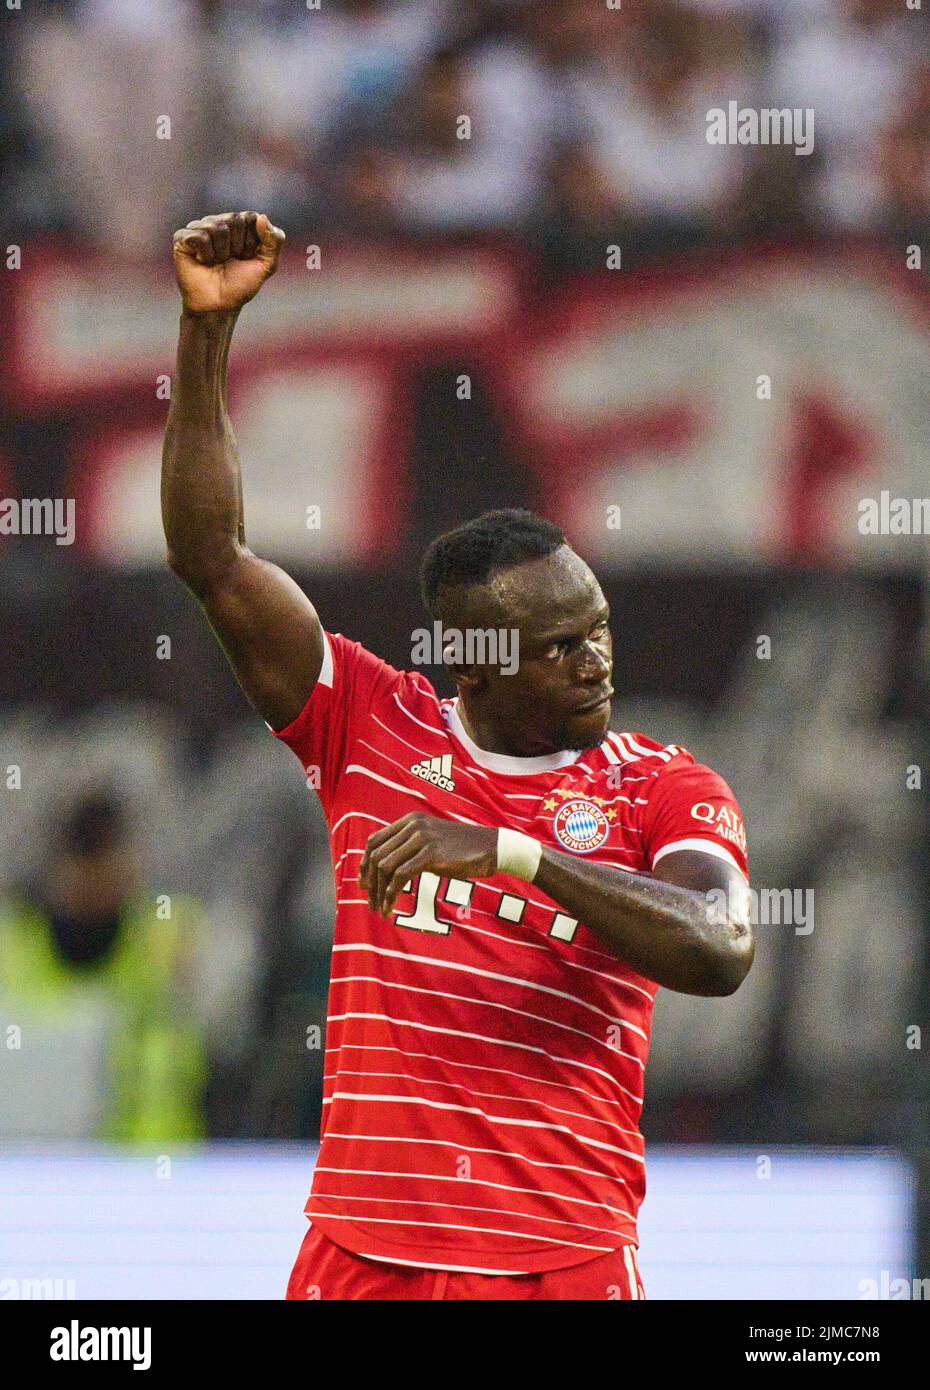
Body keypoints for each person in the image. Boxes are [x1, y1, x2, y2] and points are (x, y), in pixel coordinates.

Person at [161, 211, 753, 1301]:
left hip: (557, 1257)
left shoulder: (664, 787)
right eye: (561, 646)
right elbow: (211, 557)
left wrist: (513, 855)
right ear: (474, 666)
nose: (596, 662)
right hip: (361, 1247)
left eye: (601, 627)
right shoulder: (368, 725)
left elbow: (719, 947)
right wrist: (205, 336)